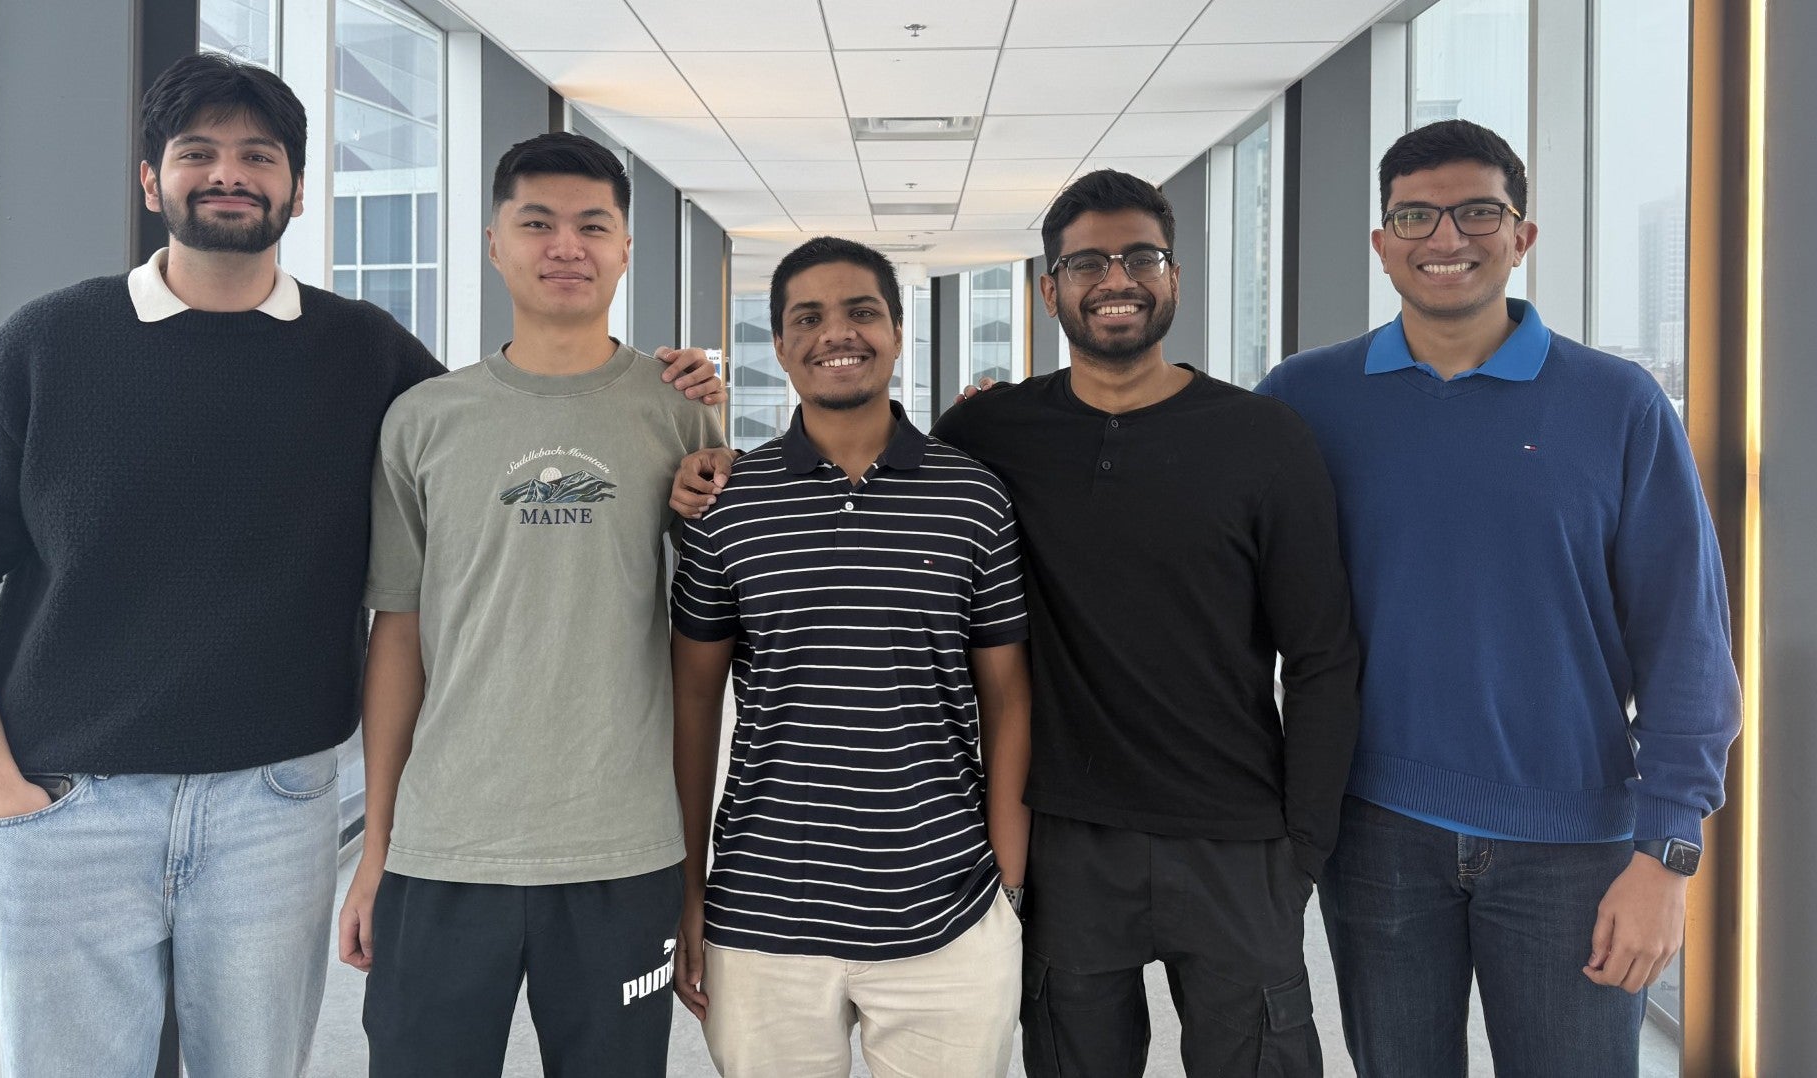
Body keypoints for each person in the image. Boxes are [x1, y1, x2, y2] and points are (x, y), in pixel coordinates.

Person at [0, 54, 719, 1077]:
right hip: (70, 809)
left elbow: (511, 418)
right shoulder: (50, 344)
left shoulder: (366, 357)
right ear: (151, 182)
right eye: (197, 154)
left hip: (273, 811)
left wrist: (670, 383)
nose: (228, 174)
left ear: (295, 187)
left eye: (257, 155)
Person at [673, 170, 1360, 1077]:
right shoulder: (991, 437)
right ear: (1049, 290)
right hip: (1067, 840)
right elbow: (855, 455)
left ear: (1176, 276)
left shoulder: (1263, 437)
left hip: (1233, 836)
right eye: (1086, 262)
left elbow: (1322, 656)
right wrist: (703, 457)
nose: (1117, 278)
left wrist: (1303, 849)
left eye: (1141, 256)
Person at [1254, 119, 1740, 1078]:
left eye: (1479, 211)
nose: (1447, 238)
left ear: (1522, 235)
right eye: (1417, 216)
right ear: (1382, 244)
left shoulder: (1618, 402)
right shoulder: (1304, 401)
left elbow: (1685, 634)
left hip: (1576, 840)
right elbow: (1239, 601)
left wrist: (1669, 854)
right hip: (1377, 826)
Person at [339, 131, 726, 1077]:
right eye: (538, 223)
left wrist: (691, 872)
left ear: (627, 249)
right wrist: (375, 846)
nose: (567, 246)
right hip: (446, 847)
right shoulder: (424, 420)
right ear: (494, 244)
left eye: (594, 225)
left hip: (620, 850)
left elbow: (709, 642)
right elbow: (400, 634)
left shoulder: (682, 413)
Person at [668, 236, 1031, 1077]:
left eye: (863, 311)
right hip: (762, 917)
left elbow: (1009, 698)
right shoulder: (727, 502)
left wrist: (1007, 889)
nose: (840, 333)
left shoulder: (972, 496)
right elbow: (690, 706)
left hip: (947, 907)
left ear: (897, 332)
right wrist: (689, 888)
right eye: (810, 318)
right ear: (783, 347)